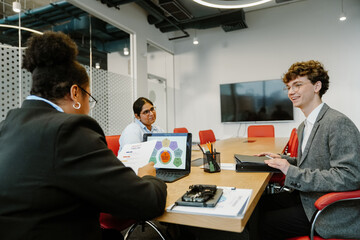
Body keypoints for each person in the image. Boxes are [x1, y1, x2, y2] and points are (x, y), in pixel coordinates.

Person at [0, 31, 167, 240]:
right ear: (75, 93)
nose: (88, 108)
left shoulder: (6, 127)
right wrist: (148, 177)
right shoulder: (69, 130)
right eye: (89, 97)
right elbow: (147, 202)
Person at [256, 60, 360, 239]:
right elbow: (312, 163)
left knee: (263, 223)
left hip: (329, 209)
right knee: (257, 205)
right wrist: (284, 161)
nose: (291, 92)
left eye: (297, 85)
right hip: (308, 196)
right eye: (288, 87)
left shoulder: (337, 122)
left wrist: (291, 171)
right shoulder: (304, 126)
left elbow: (350, 176)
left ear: (316, 86)